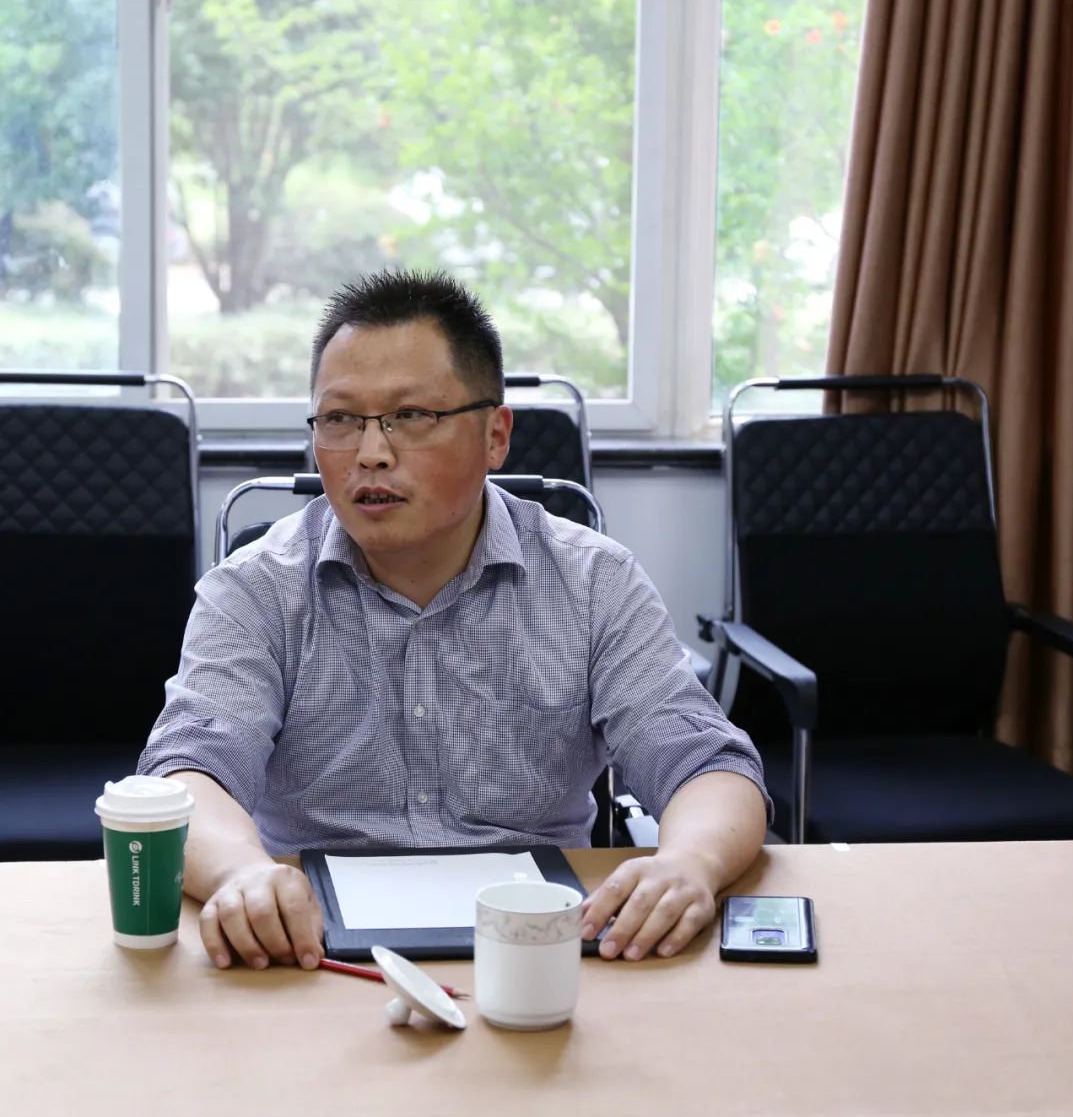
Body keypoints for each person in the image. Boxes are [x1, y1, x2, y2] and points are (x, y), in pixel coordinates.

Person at [138, 268, 770, 972]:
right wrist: (240, 873)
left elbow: (705, 763)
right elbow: (187, 772)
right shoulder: (256, 589)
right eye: (340, 419)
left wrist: (689, 862)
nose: (370, 453)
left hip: (542, 947)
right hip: (314, 953)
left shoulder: (593, 581)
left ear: (496, 435)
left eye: (411, 416)